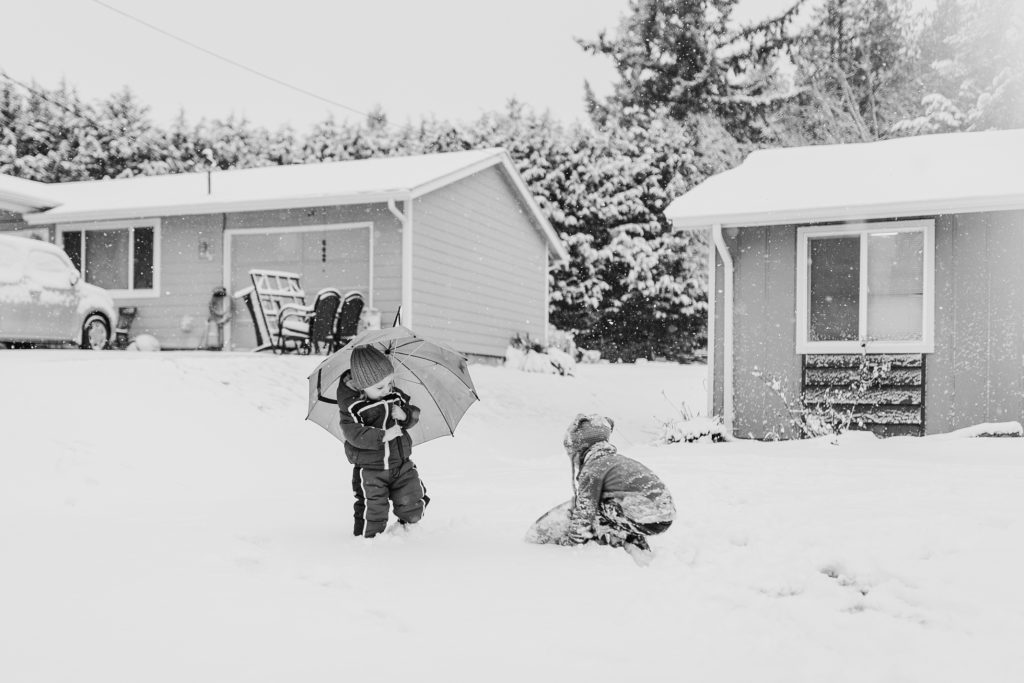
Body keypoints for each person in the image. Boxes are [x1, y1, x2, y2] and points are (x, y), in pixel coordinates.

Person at [337, 345, 429, 538]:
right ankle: (368, 543)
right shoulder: (353, 408)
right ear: (361, 385)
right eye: (379, 387)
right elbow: (353, 433)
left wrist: (405, 415)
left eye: (389, 383)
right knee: (373, 511)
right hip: (372, 469)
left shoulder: (395, 395)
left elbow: (413, 415)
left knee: (412, 499)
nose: (386, 389)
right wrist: (382, 435)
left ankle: (407, 527)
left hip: (401, 463)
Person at [559, 413, 675, 562]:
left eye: (573, 454)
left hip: (645, 516)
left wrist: (572, 542)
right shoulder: (616, 461)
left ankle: (615, 542)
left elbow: (585, 510)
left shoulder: (593, 468)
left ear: (582, 450)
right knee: (608, 501)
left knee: (594, 505)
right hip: (665, 515)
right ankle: (632, 536)